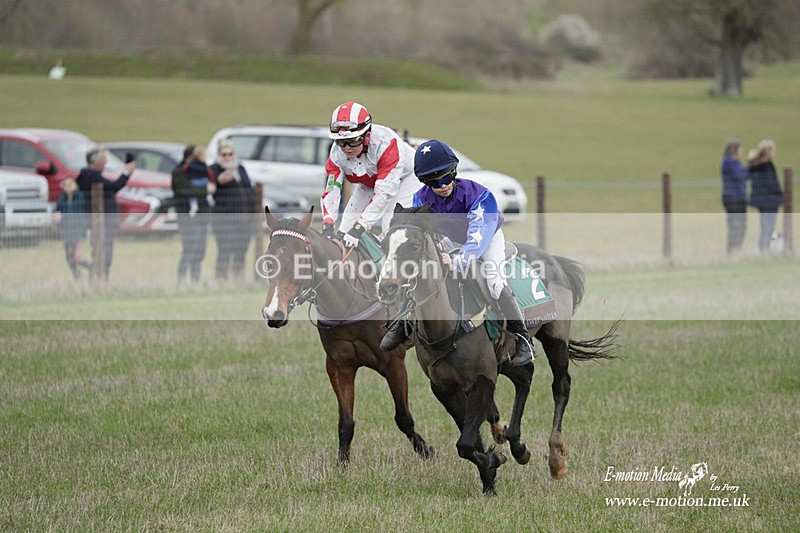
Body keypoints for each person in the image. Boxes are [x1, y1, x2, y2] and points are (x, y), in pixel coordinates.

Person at [380, 139, 534, 366]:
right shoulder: (420, 199)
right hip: (450, 241)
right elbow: (422, 235)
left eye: (447, 177)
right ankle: (405, 323)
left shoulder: (479, 195)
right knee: (420, 275)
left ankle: (523, 339)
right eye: (434, 181)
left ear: (454, 171)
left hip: (487, 239)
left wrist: (458, 261)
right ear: (424, 182)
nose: (442, 185)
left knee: (494, 280)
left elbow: (478, 237)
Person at [320, 101, 420, 247]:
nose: (346, 148)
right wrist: (328, 224)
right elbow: (331, 191)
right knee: (344, 229)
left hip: (407, 178)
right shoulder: (336, 152)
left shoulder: (386, 145)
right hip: (372, 181)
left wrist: (360, 228)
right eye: (341, 142)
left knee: (390, 228)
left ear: (367, 136)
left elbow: (383, 195)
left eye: (352, 141)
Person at [76, 146, 135, 280]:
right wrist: (126, 173)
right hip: (101, 220)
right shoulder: (92, 176)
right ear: (95, 161)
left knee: (101, 251)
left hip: (101, 220)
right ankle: (100, 280)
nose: (105, 162)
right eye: (104, 159)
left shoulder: (87, 175)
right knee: (103, 252)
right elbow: (114, 187)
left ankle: (100, 279)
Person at [209, 140, 255, 280]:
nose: (228, 157)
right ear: (219, 155)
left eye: (230, 154)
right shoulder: (214, 170)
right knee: (225, 250)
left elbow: (249, 187)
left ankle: (238, 279)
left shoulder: (240, 168)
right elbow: (210, 188)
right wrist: (219, 181)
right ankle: (221, 279)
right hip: (224, 220)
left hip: (244, 220)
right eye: (224, 154)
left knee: (241, 251)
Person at [172, 145, 215, 286]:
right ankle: (181, 279)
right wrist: (205, 190)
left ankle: (195, 279)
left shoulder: (201, 171)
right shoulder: (179, 172)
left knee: (200, 251)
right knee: (189, 248)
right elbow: (185, 190)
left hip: (202, 217)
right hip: (187, 218)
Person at [747, 139, 784, 254]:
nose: (774, 153)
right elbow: (771, 184)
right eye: (772, 150)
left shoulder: (758, 165)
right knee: (768, 228)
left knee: (767, 228)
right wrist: (780, 195)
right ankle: (764, 251)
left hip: (764, 201)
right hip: (769, 202)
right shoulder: (765, 166)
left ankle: (763, 250)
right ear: (767, 151)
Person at [54, 177, 91, 279]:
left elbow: (79, 214)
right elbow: (58, 210)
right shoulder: (62, 198)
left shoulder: (80, 198)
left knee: (74, 256)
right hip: (66, 232)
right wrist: (57, 216)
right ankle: (77, 275)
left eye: (70, 184)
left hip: (78, 232)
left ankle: (91, 267)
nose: (67, 187)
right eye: (65, 185)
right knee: (69, 258)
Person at [720, 140, 748, 254]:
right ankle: (731, 251)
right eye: (740, 149)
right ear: (734, 150)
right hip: (732, 198)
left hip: (740, 198)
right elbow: (741, 175)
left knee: (742, 226)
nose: (742, 151)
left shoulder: (736, 163)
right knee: (735, 226)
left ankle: (736, 250)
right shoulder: (728, 161)